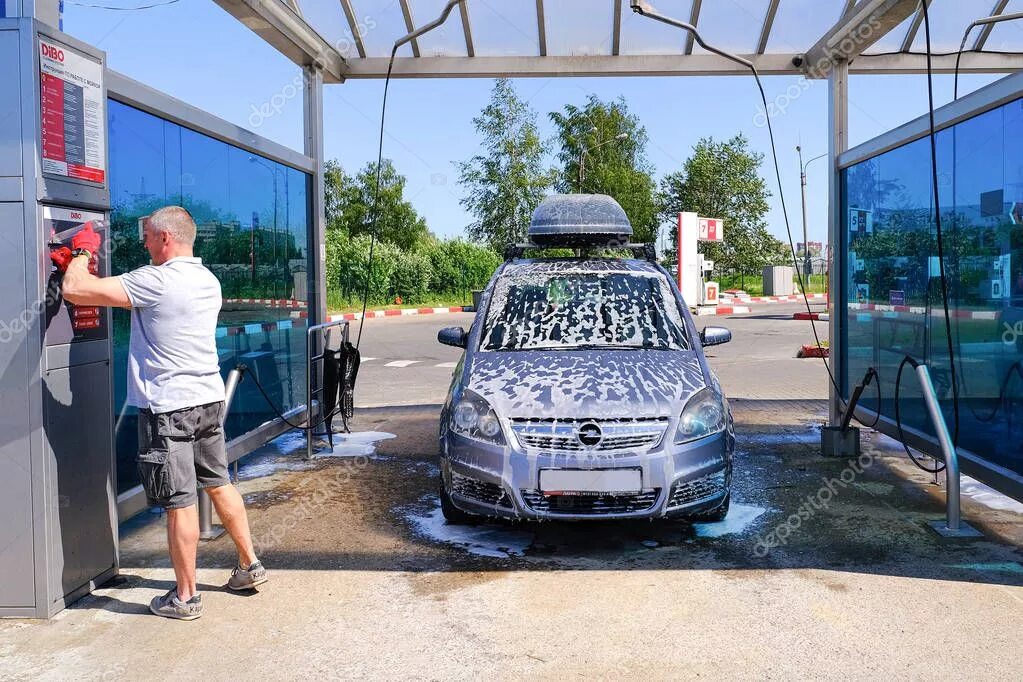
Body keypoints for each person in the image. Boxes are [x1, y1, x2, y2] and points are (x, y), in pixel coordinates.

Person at [55, 206, 268, 621]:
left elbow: (76, 290)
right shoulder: (207, 279)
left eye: (149, 236)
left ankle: (185, 598)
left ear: (167, 238)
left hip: (169, 409)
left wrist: (79, 253)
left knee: (179, 502)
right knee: (219, 482)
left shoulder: (154, 281)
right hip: (207, 399)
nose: (144, 243)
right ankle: (248, 565)